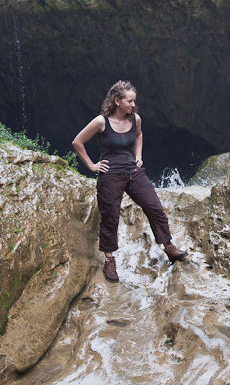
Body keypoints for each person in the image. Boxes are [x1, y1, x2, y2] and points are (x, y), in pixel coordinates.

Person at [72, 80, 187, 283]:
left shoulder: (136, 119)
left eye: (134, 101)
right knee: (110, 218)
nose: (134, 105)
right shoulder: (101, 122)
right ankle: (109, 259)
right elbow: (77, 142)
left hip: (134, 172)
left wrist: (138, 155)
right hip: (110, 176)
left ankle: (169, 247)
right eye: (130, 101)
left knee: (155, 208)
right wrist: (92, 165)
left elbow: (139, 135)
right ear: (117, 101)